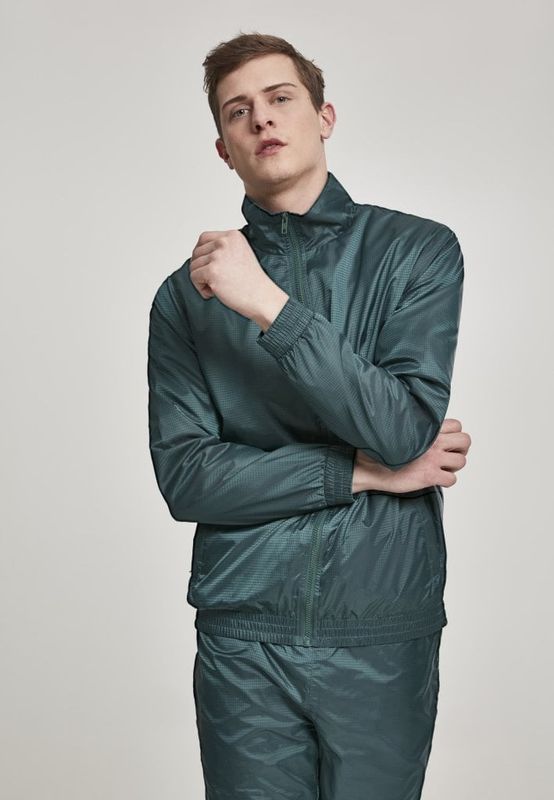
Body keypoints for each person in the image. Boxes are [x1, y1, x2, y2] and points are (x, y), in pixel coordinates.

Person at [147, 31, 471, 800]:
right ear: (223, 148)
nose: (262, 118)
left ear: (324, 117)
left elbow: (403, 431)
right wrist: (360, 473)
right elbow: (188, 480)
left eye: (280, 98)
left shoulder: (419, 252)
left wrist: (267, 304)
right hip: (244, 636)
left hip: (381, 629)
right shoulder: (184, 298)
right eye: (238, 111)